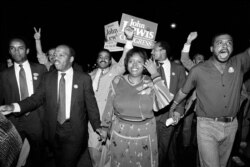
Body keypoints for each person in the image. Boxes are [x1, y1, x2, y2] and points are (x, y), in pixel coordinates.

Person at [0, 44, 106, 167]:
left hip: (74, 131)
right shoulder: (47, 78)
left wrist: (97, 126)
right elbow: (35, 99)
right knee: (59, 160)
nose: (56, 57)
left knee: (67, 163)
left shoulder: (83, 79)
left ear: (71, 59)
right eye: (55, 55)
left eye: (61, 55)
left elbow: (91, 105)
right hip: (52, 131)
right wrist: (14, 107)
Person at [169, 32, 250, 167]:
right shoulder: (198, 69)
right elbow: (183, 91)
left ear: (233, 48)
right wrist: (173, 107)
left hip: (231, 126)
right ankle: (186, 147)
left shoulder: (239, 63)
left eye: (228, 43)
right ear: (212, 49)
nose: (224, 45)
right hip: (207, 125)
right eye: (220, 43)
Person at [101, 47, 173, 167]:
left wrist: (154, 73)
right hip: (120, 132)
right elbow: (109, 106)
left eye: (139, 61)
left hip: (145, 133)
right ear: (126, 64)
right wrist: (104, 127)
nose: (134, 65)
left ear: (145, 65)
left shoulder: (150, 82)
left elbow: (166, 99)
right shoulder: (117, 81)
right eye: (130, 61)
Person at [88, 26, 134, 167]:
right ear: (97, 60)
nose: (103, 59)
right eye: (100, 57)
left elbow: (124, 59)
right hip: (92, 118)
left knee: (109, 149)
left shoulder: (115, 71)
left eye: (106, 58)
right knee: (94, 149)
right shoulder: (89, 76)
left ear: (109, 61)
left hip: (111, 116)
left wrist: (129, 39)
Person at [0, 37, 47, 167]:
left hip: (37, 120)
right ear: (9, 51)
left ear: (27, 50)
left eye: (20, 48)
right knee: (11, 158)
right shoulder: (4, 74)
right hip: (13, 122)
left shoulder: (41, 69)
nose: (16, 52)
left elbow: (44, 96)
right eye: (12, 48)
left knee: (38, 157)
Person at [151, 41, 186, 167]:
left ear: (163, 50)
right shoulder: (149, 68)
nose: (152, 52)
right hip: (151, 115)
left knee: (163, 149)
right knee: (150, 147)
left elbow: (181, 92)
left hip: (169, 115)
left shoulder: (179, 69)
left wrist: (178, 111)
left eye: (154, 50)